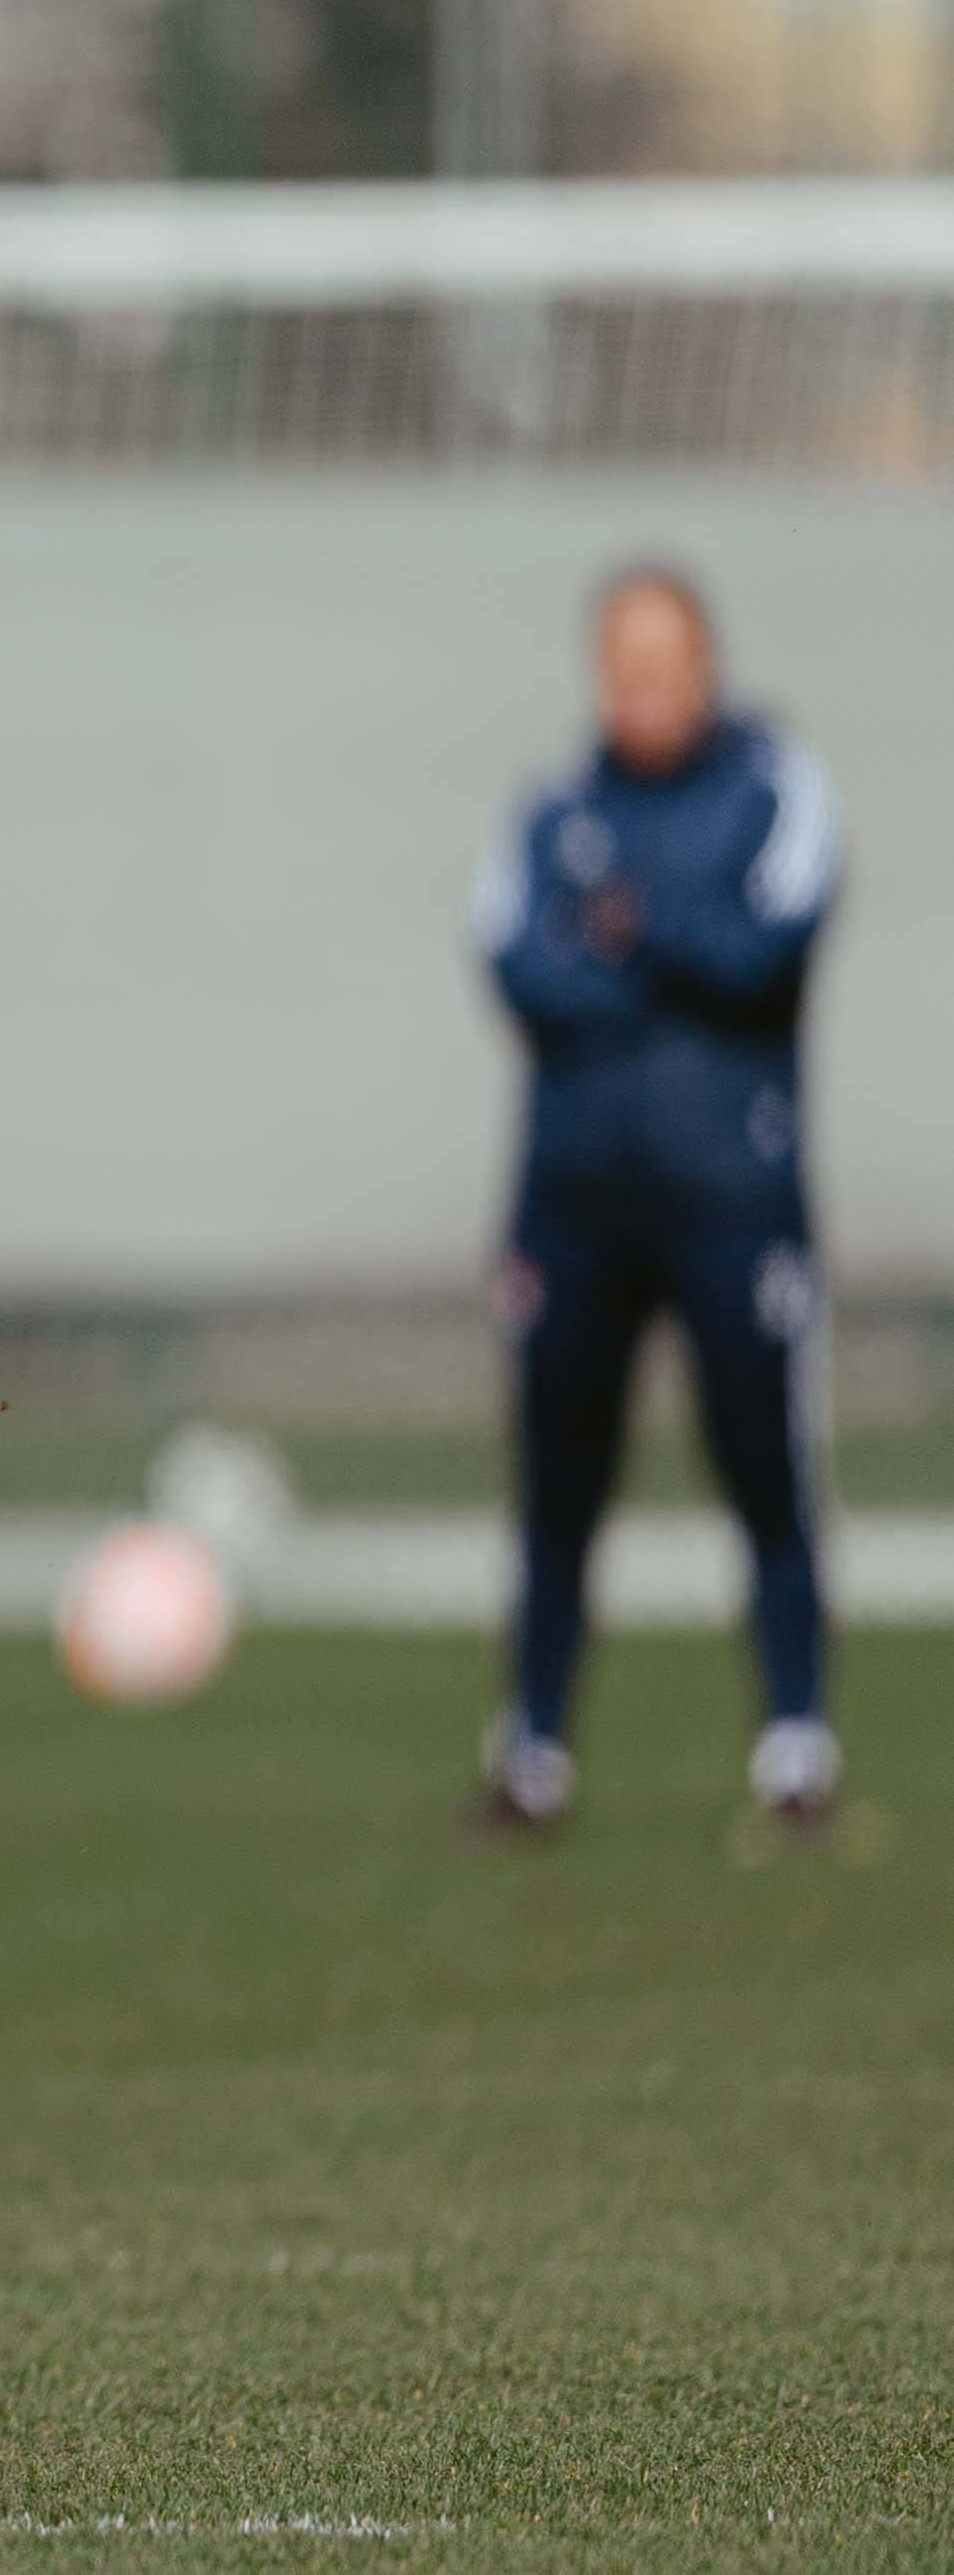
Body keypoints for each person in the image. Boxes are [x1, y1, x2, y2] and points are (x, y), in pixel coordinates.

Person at [467, 564, 842, 1836]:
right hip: (570, 1203)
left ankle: (794, 1743)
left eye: (663, 661)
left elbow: (764, 945)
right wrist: (659, 951)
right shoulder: (552, 809)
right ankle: (533, 1750)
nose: (643, 688)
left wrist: (637, 928)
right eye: (621, 665)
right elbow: (521, 969)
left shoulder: (773, 788)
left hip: (734, 1195)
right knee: (557, 1486)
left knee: (763, 1471)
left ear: (704, 663)